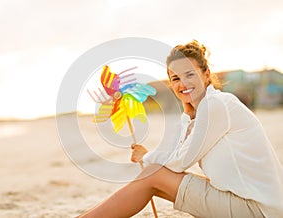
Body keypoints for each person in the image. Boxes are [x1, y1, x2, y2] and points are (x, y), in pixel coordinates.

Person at [76, 40, 283, 218]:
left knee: (153, 176)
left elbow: (180, 162)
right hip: (251, 204)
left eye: (189, 74)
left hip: (256, 210)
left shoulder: (217, 104)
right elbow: (176, 152)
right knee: (154, 177)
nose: (182, 83)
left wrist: (147, 158)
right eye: (175, 78)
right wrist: (187, 116)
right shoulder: (203, 110)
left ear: (206, 74)